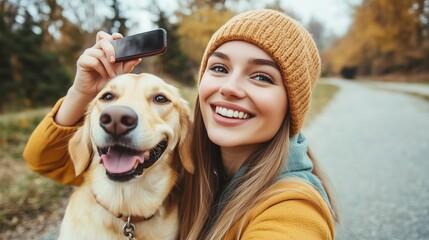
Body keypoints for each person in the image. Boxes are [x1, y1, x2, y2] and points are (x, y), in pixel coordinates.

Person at [24, 9, 338, 239]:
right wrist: (81, 94)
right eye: (219, 67)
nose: (229, 87)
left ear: (291, 106)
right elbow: (45, 160)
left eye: (261, 76)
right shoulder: (186, 164)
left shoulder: (293, 209)